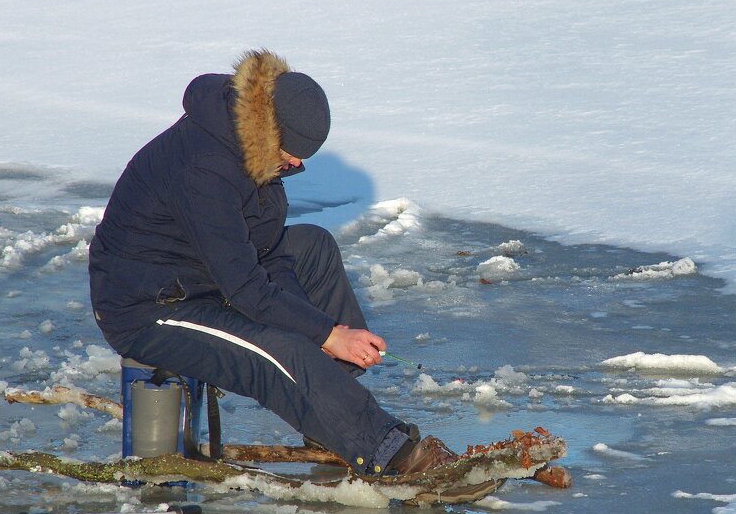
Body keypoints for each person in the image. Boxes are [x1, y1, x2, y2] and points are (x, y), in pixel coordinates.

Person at [88, 49, 460, 479]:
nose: (297, 164)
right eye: (292, 152)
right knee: (280, 351)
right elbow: (246, 287)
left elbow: (267, 252)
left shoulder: (249, 147)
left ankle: (329, 413)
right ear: (270, 129)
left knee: (313, 250)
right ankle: (388, 453)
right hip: (150, 306)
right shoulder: (206, 167)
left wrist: (322, 337)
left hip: (202, 274)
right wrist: (324, 334)